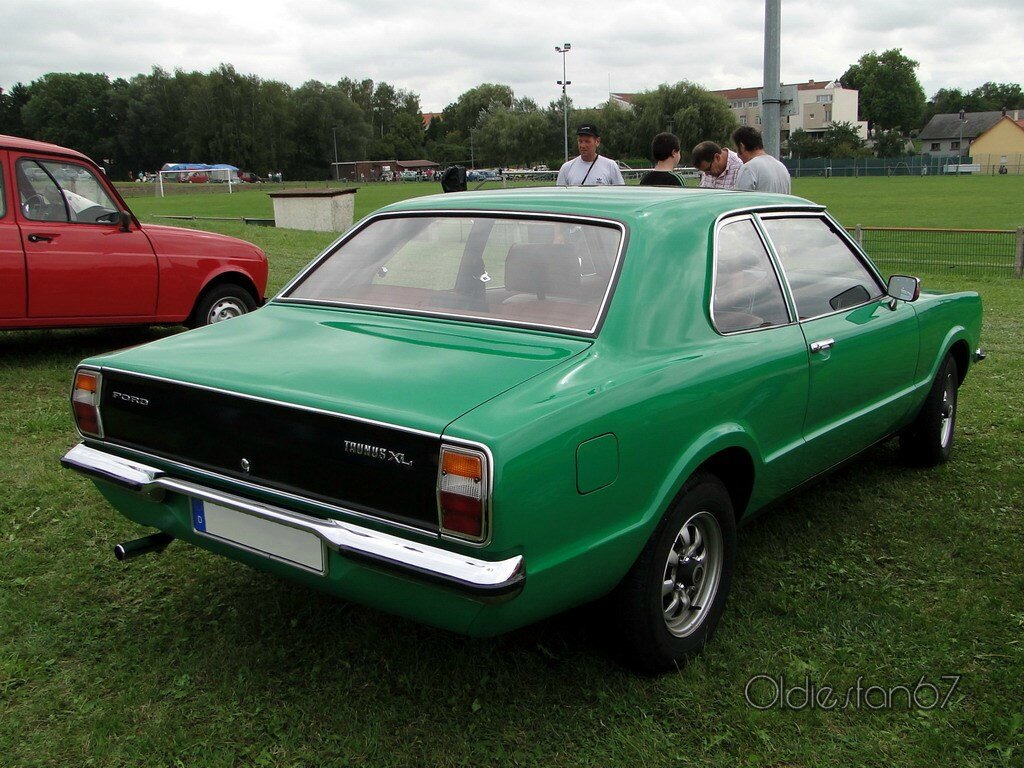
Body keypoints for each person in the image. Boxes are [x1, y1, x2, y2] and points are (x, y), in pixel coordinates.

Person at [556, 124, 625, 186]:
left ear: (597, 141)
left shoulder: (611, 166)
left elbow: (621, 195)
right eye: (580, 141)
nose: (583, 145)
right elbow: (560, 196)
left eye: (587, 141)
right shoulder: (566, 168)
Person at [731, 126, 792, 193]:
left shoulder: (748, 168)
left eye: (736, 149)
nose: (737, 155)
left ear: (742, 147)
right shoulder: (782, 167)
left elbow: (740, 200)